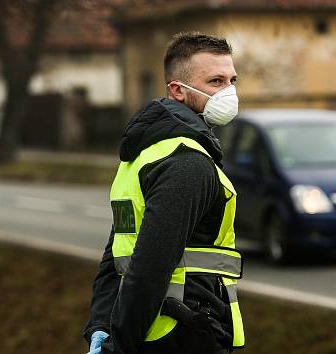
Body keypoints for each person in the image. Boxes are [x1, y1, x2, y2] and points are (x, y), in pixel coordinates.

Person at [83, 32, 245, 354]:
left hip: (151, 333)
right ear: (178, 91)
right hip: (182, 332)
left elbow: (115, 254)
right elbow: (149, 266)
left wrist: (100, 326)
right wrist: (119, 345)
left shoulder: (144, 155)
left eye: (232, 80)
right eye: (215, 81)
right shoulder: (187, 162)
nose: (229, 92)